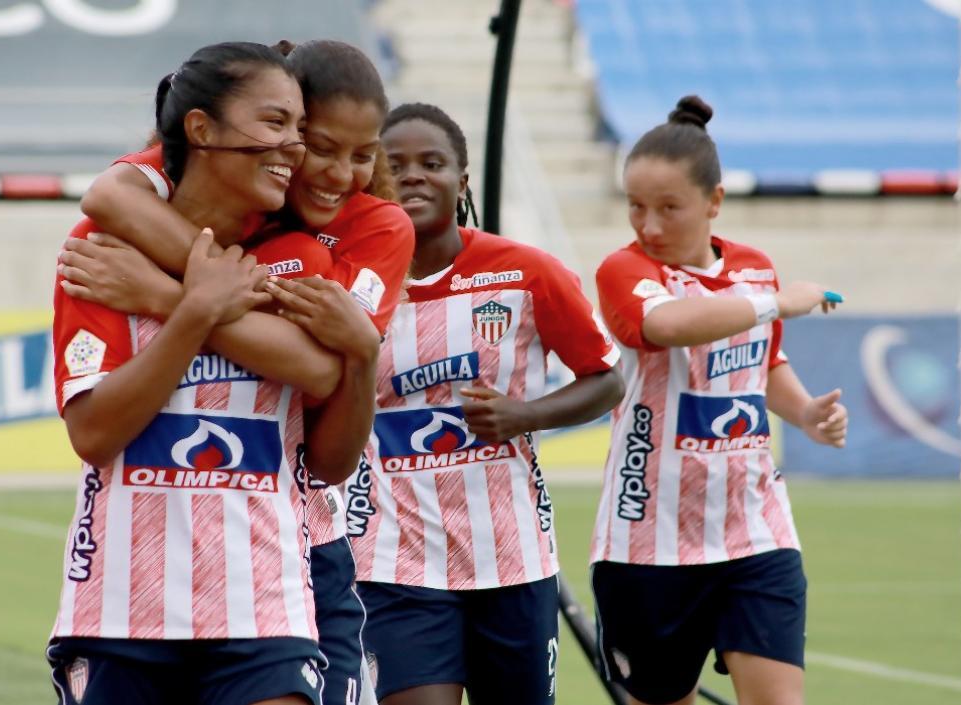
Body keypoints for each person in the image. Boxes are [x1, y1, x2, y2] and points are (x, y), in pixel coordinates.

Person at [58, 39, 413, 705]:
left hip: (275, 586)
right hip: (121, 601)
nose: (313, 161)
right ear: (201, 130)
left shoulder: (317, 249)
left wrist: (177, 301)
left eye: (301, 133)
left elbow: (320, 382)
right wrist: (198, 304)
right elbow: (94, 433)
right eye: (287, 129)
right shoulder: (102, 248)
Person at [308, 102, 624, 705]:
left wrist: (528, 415)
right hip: (391, 559)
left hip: (512, 559)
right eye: (392, 164)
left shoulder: (526, 273)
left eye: (433, 163)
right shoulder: (343, 283)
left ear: (463, 181)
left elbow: (606, 379)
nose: (414, 175)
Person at [589, 95, 849, 705]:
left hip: (754, 531)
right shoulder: (623, 272)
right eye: (636, 207)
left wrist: (807, 412)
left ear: (714, 202)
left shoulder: (755, 269)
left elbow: (764, 362)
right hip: (646, 543)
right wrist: (775, 303)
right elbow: (669, 325)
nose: (649, 226)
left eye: (669, 208)